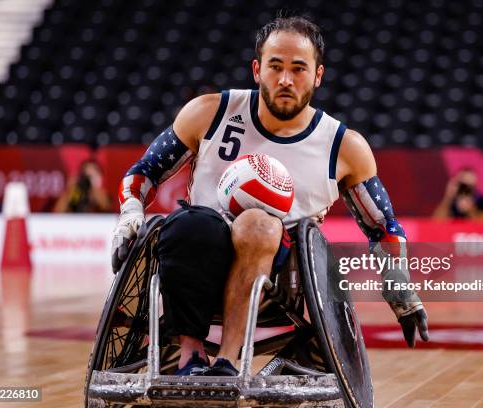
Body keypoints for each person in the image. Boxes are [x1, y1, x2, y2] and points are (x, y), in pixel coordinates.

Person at [111, 16, 429, 377]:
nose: (285, 80)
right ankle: (190, 355)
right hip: (195, 251)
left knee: (257, 223)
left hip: (278, 279)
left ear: (318, 75)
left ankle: (227, 362)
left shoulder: (344, 147)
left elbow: (382, 226)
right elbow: (145, 171)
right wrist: (130, 215)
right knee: (189, 222)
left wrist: (401, 295)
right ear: (257, 69)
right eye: (275, 67)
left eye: (299, 69)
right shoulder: (210, 112)